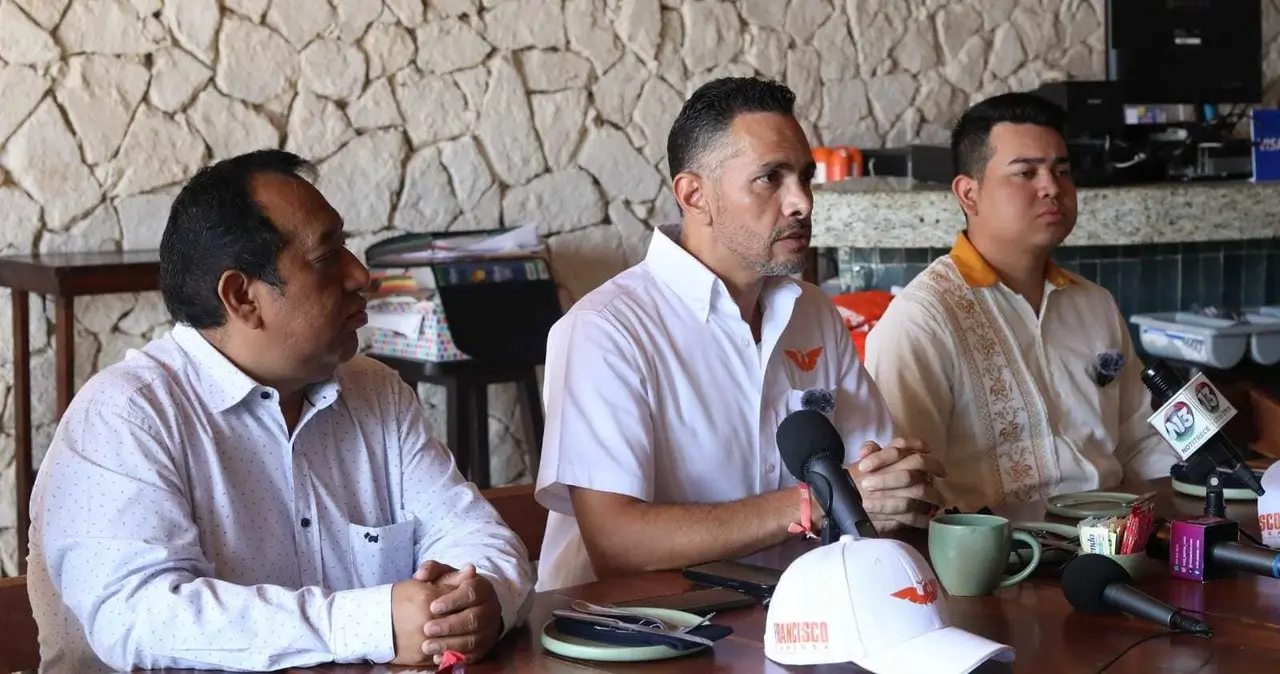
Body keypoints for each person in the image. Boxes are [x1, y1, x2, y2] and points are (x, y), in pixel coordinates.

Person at [26, 150, 534, 673]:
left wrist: (477, 600)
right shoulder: (128, 416)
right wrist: (370, 623)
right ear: (242, 296)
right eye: (326, 256)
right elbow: (143, 617)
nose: (361, 275)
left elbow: (476, 535)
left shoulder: (376, 392)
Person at [532, 77, 946, 592]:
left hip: (800, 615)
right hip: (645, 636)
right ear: (694, 194)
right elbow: (617, 544)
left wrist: (899, 486)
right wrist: (814, 501)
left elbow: (873, 479)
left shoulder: (813, 311)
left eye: (804, 177)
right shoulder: (605, 330)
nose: (801, 203)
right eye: (770, 178)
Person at [864, 93, 1178, 511]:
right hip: (1003, 560)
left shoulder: (1094, 304)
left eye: (1061, 171)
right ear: (969, 194)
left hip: (1118, 538)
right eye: (1026, 172)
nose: (1051, 187)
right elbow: (907, 488)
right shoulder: (925, 318)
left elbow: (1139, 443)